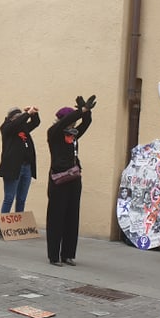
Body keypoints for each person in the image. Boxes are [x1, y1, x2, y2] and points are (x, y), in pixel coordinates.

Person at [45, 95, 95, 267]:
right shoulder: (53, 133)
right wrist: (78, 112)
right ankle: (54, 256)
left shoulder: (72, 135)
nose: (73, 126)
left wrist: (86, 113)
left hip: (74, 178)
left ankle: (67, 254)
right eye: (70, 123)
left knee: (72, 216)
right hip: (59, 180)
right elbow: (63, 124)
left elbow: (86, 124)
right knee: (56, 217)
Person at [0, 106, 41, 215]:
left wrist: (33, 113)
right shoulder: (6, 127)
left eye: (20, 117)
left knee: (21, 199)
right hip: (13, 168)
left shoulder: (23, 128)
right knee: (9, 198)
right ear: (10, 118)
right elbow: (14, 124)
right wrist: (26, 115)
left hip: (26, 167)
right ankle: (4, 228)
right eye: (17, 117)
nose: (20, 119)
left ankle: (18, 226)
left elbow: (36, 123)